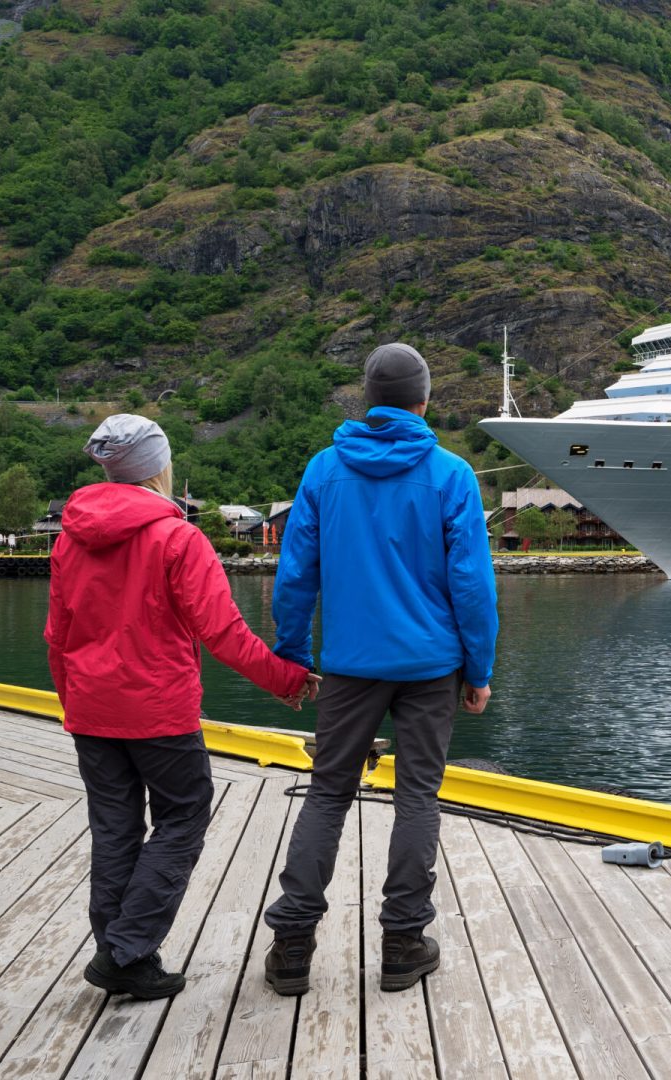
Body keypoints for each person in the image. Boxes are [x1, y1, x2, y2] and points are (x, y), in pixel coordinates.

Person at [46, 414, 317, 999]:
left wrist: (75, 705)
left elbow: (57, 636)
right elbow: (224, 635)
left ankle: (117, 950)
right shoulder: (178, 538)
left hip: (91, 710)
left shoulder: (71, 536)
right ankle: (127, 949)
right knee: (184, 816)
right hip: (158, 712)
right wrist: (290, 681)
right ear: (158, 468)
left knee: (114, 829)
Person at [263, 343, 498, 996]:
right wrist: (478, 670)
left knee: (328, 793)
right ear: (424, 400)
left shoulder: (324, 471)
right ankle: (402, 942)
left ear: (369, 399)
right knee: (417, 796)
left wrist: (293, 657)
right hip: (431, 667)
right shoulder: (452, 475)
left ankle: (291, 947)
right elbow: (473, 586)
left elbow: (295, 576)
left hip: (349, 667)